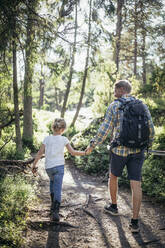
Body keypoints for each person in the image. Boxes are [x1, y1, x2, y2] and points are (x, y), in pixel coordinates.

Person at [86, 80, 155, 233]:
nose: (113, 92)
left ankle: (114, 206)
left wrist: (92, 145)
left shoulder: (114, 105)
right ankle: (135, 222)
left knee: (113, 176)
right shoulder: (142, 105)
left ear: (121, 89)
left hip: (119, 151)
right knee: (136, 184)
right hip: (138, 151)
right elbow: (151, 129)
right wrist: (146, 145)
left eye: (115, 89)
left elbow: (105, 129)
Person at [32, 118, 89, 222]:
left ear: (53, 127)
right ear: (62, 129)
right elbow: (73, 152)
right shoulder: (64, 139)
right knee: (57, 188)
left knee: (52, 184)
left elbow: (40, 153)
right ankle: (55, 212)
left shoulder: (47, 138)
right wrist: (84, 153)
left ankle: (52, 207)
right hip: (59, 167)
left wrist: (34, 165)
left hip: (49, 168)